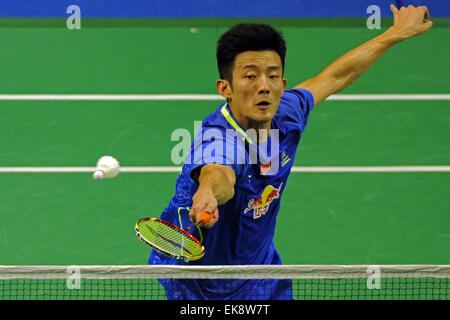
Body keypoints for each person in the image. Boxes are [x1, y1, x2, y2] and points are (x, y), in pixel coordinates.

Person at [148, 5, 433, 299]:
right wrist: (207, 193)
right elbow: (219, 174)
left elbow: (335, 77)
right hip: (204, 285)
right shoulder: (218, 139)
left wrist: (395, 33)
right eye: (250, 76)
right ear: (225, 88)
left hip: (261, 274)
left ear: (283, 84)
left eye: (273, 76)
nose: (264, 87)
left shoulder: (287, 113)